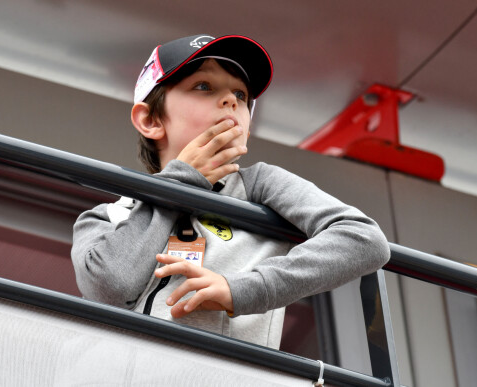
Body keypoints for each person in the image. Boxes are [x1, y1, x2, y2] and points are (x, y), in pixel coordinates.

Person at [71, 34, 390, 349]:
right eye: (204, 86)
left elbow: (364, 238)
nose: (231, 101)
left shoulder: (262, 184)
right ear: (151, 120)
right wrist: (182, 182)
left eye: (241, 93)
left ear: (248, 127)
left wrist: (241, 289)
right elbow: (110, 287)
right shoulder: (106, 216)